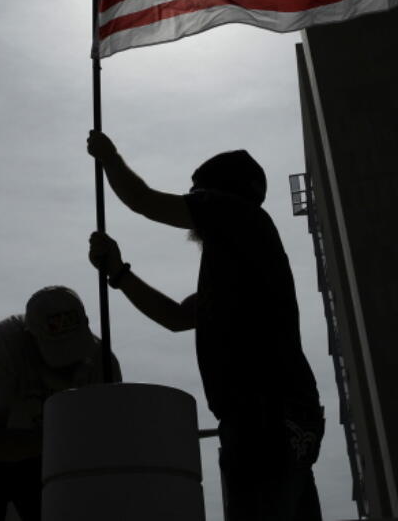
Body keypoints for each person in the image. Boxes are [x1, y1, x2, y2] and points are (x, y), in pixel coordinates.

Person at [86, 130, 324, 521]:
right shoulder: (241, 260)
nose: (192, 210)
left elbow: (143, 201)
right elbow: (178, 318)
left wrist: (109, 157)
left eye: (197, 196)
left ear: (214, 195)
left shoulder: (236, 216)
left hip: (261, 416)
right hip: (289, 415)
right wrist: (119, 273)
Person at [0, 285, 120, 521]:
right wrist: (69, 440)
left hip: (49, 455)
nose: (70, 366)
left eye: (75, 352)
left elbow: (107, 439)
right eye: (59, 354)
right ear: (31, 336)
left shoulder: (102, 362)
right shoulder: (3, 343)